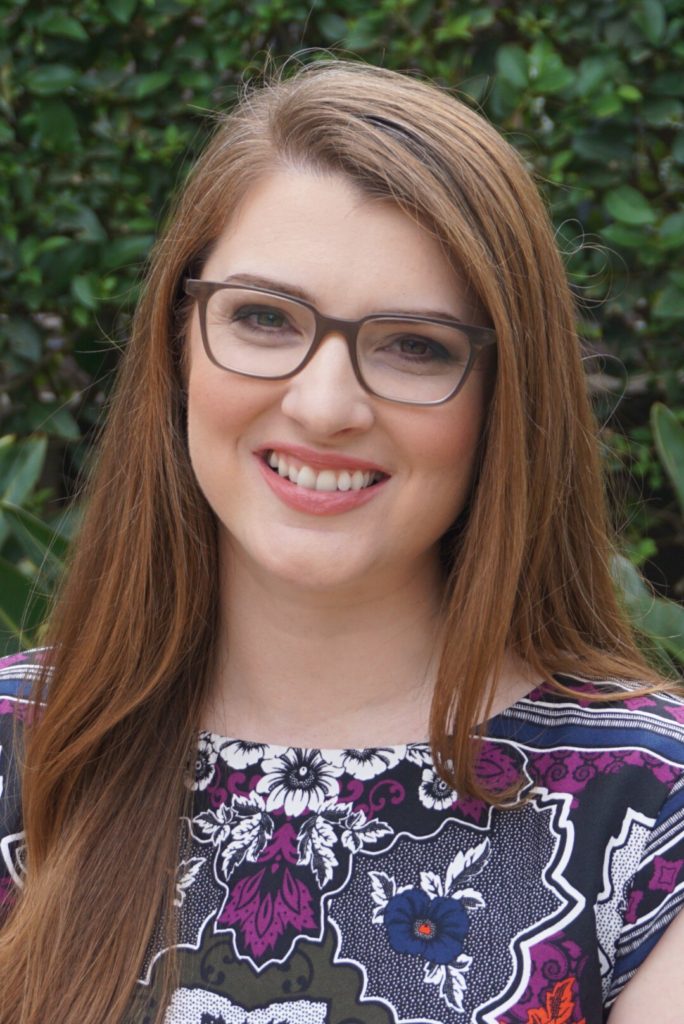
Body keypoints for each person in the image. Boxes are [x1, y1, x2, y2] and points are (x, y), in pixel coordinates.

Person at [0, 59, 683, 1024]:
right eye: (265, 318)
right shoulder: (17, 752)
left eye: (415, 345)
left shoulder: (652, 816)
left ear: (505, 402)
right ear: (177, 344)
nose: (324, 406)